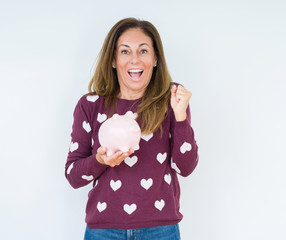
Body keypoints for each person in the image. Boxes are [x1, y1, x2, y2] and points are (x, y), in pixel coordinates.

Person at [65, 18, 199, 240]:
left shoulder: (172, 99)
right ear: (114, 60)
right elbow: (73, 176)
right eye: (125, 52)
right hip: (103, 230)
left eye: (143, 51)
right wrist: (100, 161)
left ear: (155, 58)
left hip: (160, 229)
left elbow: (184, 167)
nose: (134, 59)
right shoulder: (90, 104)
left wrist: (181, 115)